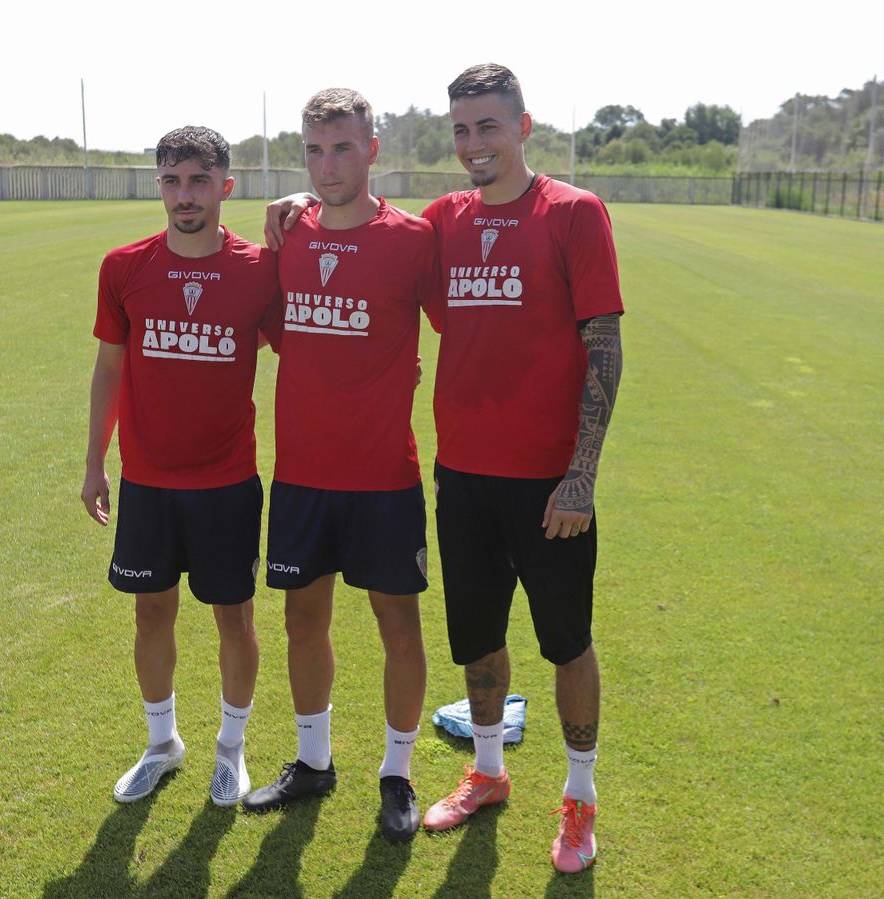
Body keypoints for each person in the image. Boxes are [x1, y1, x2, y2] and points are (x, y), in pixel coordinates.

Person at [265, 62, 624, 873]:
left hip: (550, 482)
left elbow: (604, 344)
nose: (473, 144)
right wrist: (300, 208)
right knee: (479, 640)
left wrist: (582, 472)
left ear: (523, 127)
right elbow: (364, 253)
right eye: (462, 130)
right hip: (460, 474)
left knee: (567, 641)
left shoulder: (575, 212)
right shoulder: (442, 224)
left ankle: (579, 799)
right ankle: (488, 772)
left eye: (489, 127)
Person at [239, 88, 441, 843]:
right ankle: (313, 761)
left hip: (385, 474)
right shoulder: (287, 235)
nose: (328, 165)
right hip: (301, 474)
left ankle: (397, 771)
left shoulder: (415, 240)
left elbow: (466, 327)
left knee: (397, 619)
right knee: (302, 615)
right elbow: (269, 328)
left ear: (372, 149)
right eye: (316, 150)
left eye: (343, 148)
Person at [82, 125, 280, 809]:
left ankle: (231, 750)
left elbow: (307, 350)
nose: (184, 194)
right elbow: (110, 367)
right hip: (148, 482)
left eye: (199, 180)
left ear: (226, 185)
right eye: (172, 180)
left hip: (226, 482)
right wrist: (94, 461)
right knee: (150, 612)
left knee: (235, 618)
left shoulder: (259, 269)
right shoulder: (124, 266)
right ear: (158, 184)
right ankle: (162, 743)